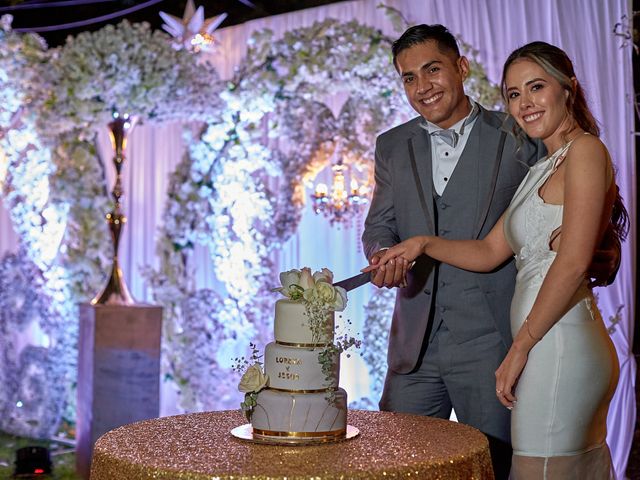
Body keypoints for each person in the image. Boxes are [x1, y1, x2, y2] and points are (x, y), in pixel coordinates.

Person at [361, 25, 619, 480]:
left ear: (461, 68)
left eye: (433, 70)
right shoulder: (391, 145)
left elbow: (584, 200)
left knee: (501, 468)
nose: (422, 87)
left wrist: (604, 248)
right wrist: (387, 255)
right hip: (413, 348)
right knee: (395, 465)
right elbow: (381, 225)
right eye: (408, 77)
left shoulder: (521, 129)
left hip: (495, 342)